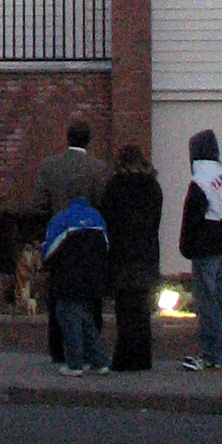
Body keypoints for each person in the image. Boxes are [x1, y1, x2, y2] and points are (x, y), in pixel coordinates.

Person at [35, 120, 106, 362]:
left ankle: (59, 350)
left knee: (60, 296)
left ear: (67, 138)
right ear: (88, 140)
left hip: (59, 238)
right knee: (89, 298)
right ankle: (89, 350)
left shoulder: (49, 166)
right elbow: (102, 203)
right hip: (88, 238)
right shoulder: (98, 168)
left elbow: (39, 204)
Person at [178, 127, 222, 371]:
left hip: (207, 246)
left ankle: (210, 354)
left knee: (206, 301)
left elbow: (191, 217)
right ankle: (221, 351)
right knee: (220, 299)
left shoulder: (200, 181)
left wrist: (186, 247)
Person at [99, 141, 163, 372]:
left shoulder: (115, 185)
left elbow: (107, 218)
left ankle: (124, 358)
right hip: (146, 253)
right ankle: (143, 358)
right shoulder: (153, 186)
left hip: (122, 254)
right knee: (142, 309)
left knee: (124, 309)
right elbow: (155, 220)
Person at [41, 194, 111, 375]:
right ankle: (99, 360)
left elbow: (49, 249)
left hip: (68, 277)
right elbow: (106, 246)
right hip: (92, 277)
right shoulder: (97, 218)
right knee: (86, 319)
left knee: (68, 317)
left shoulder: (62, 219)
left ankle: (74, 363)